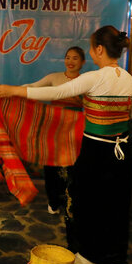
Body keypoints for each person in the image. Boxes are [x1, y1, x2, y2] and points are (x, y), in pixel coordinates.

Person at [0, 26, 132, 264]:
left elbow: (56, 93)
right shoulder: (129, 79)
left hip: (96, 150)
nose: (92, 52)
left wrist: (13, 91)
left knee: (86, 202)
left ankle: (90, 255)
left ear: (99, 50)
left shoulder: (95, 77)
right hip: (122, 151)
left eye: (92, 48)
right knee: (116, 206)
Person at [26, 46, 86, 215]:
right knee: (51, 165)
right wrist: (10, 90)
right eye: (68, 57)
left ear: (82, 62)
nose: (71, 61)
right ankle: (53, 201)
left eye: (75, 58)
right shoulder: (54, 77)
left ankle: (70, 200)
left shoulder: (86, 80)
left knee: (72, 167)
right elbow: (33, 86)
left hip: (75, 130)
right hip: (53, 128)